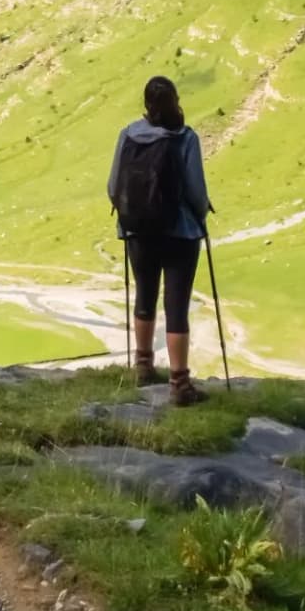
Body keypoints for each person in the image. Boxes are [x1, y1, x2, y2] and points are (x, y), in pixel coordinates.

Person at [106, 76, 212, 406]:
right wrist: (201, 214)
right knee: (176, 304)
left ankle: (143, 365)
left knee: (145, 295)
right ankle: (179, 384)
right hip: (180, 232)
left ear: (146, 104)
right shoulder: (186, 138)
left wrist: (129, 215)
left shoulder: (128, 135)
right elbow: (196, 191)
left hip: (138, 231)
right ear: (176, 101)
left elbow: (113, 185)